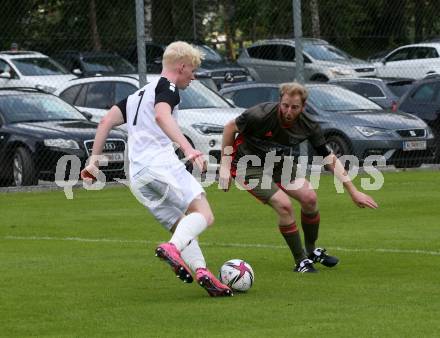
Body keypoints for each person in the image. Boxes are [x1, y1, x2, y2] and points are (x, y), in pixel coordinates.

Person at [81, 41, 232, 296]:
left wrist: (93, 160)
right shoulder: (168, 87)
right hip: (160, 164)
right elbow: (162, 115)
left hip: (138, 175)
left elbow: (106, 120)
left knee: (182, 224)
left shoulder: (138, 94)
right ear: (181, 67)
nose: (193, 77)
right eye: (192, 70)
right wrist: (188, 148)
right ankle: (171, 249)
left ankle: (203, 272)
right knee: (204, 213)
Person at [219, 82, 378, 273]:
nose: (288, 111)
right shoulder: (259, 114)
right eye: (285, 105)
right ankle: (300, 260)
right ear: (280, 102)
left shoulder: (308, 124)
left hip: (278, 163)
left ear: (303, 107)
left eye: (294, 107)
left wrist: (353, 191)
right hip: (247, 165)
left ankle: (311, 252)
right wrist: (225, 167)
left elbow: (329, 157)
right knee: (284, 205)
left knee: (310, 198)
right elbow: (230, 128)